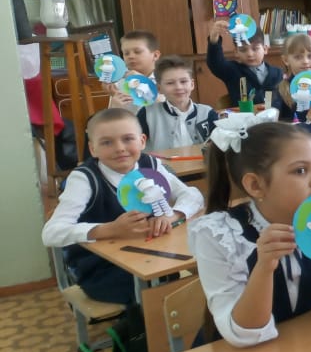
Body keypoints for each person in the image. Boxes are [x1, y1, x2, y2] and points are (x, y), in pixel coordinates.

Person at [189, 115, 311, 347]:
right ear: (255, 185)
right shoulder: (220, 234)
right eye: (300, 171)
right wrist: (264, 266)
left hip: (304, 345)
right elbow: (245, 336)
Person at [42, 108, 204, 305]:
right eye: (106, 142)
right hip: (103, 270)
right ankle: (138, 324)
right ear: (93, 149)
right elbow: (51, 233)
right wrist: (111, 229)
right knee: (153, 294)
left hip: (154, 256)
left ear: (142, 141)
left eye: (128, 139)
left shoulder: (150, 165)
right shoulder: (84, 179)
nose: (119, 148)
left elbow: (193, 195)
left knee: (190, 280)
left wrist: (171, 215)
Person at [137, 56, 218, 151]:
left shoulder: (207, 113)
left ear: (192, 84)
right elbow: (135, 145)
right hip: (162, 161)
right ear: (159, 88)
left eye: (183, 81)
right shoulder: (147, 114)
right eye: (170, 83)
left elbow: (218, 147)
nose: (178, 87)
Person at [207, 19, 284, 109]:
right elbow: (216, 63)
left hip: (272, 116)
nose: (250, 54)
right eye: (243, 50)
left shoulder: (277, 73)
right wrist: (214, 40)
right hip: (244, 117)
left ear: (265, 49)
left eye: (255, 49)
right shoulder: (232, 71)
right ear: (236, 52)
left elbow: (282, 100)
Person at [109, 30, 162, 111]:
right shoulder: (119, 84)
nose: (131, 56)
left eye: (137, 52)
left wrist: (142, 81)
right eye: (126, 53)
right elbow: (112, 116)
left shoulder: (166, 80)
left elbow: (171, 110)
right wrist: (115, 107)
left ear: (155, 55)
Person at [276, 34, 311, 122]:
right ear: (286, 60)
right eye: (298, 57)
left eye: (310, 56)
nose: (305, 61)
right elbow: (276, 122)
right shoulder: (282, 90)